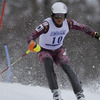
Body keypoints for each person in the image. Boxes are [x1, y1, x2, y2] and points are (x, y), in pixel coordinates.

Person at [27, 2, 100, 100]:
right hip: (44, 50)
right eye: (57, 16)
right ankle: (56, 92)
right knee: (47, 62)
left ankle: (79, 93)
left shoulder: (68, 23)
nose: (59, 19)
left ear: (65, 16)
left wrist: (95, 35)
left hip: (58, 50)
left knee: (66, 66)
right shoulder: (46, 24)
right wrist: (32, 43)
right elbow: (32, 35)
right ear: (52, 15)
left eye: (62, 16)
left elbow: (83, 27)